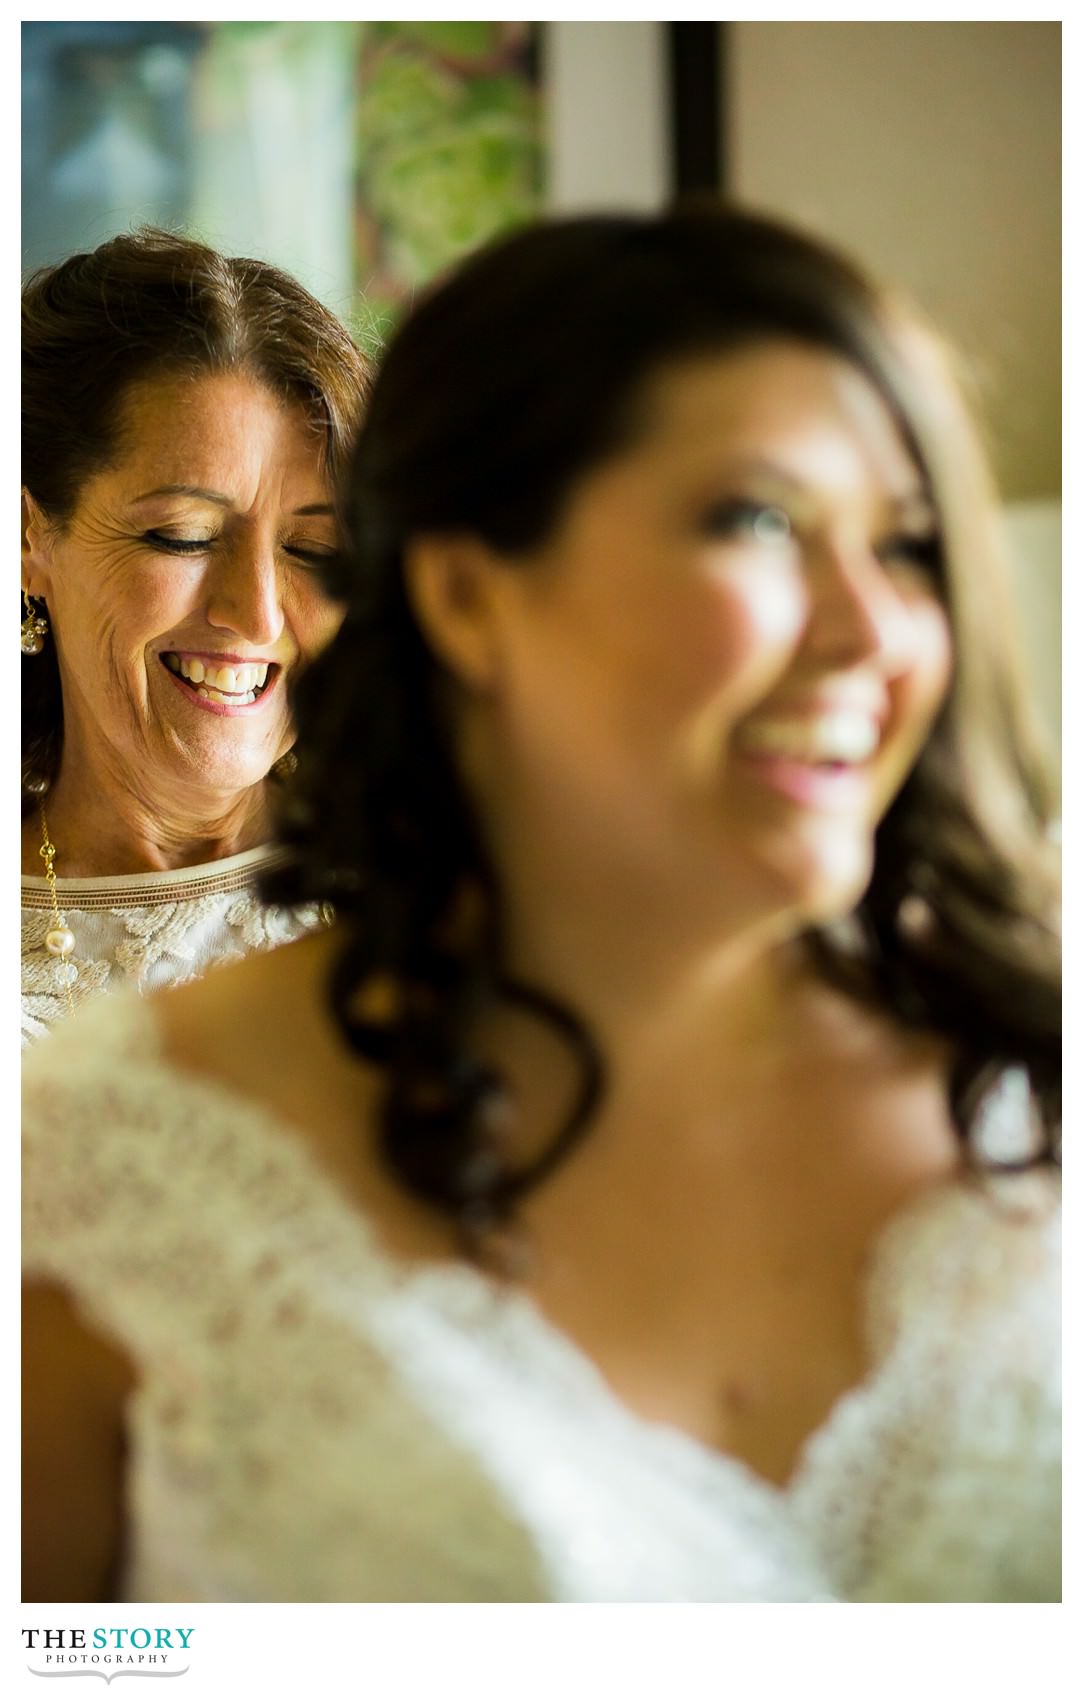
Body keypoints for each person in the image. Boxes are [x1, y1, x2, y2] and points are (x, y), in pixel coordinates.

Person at [23, 207, 1060, 1603]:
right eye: (177, 532)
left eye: (907, 542)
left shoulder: (1008, 1078)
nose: (256, 609)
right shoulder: (128, 1137)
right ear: (462, 597)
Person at [20, 228, 370, 1044]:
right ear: (29, 541)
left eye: (311, 550)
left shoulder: (438, 890)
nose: (256, 614)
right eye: (183, 535)